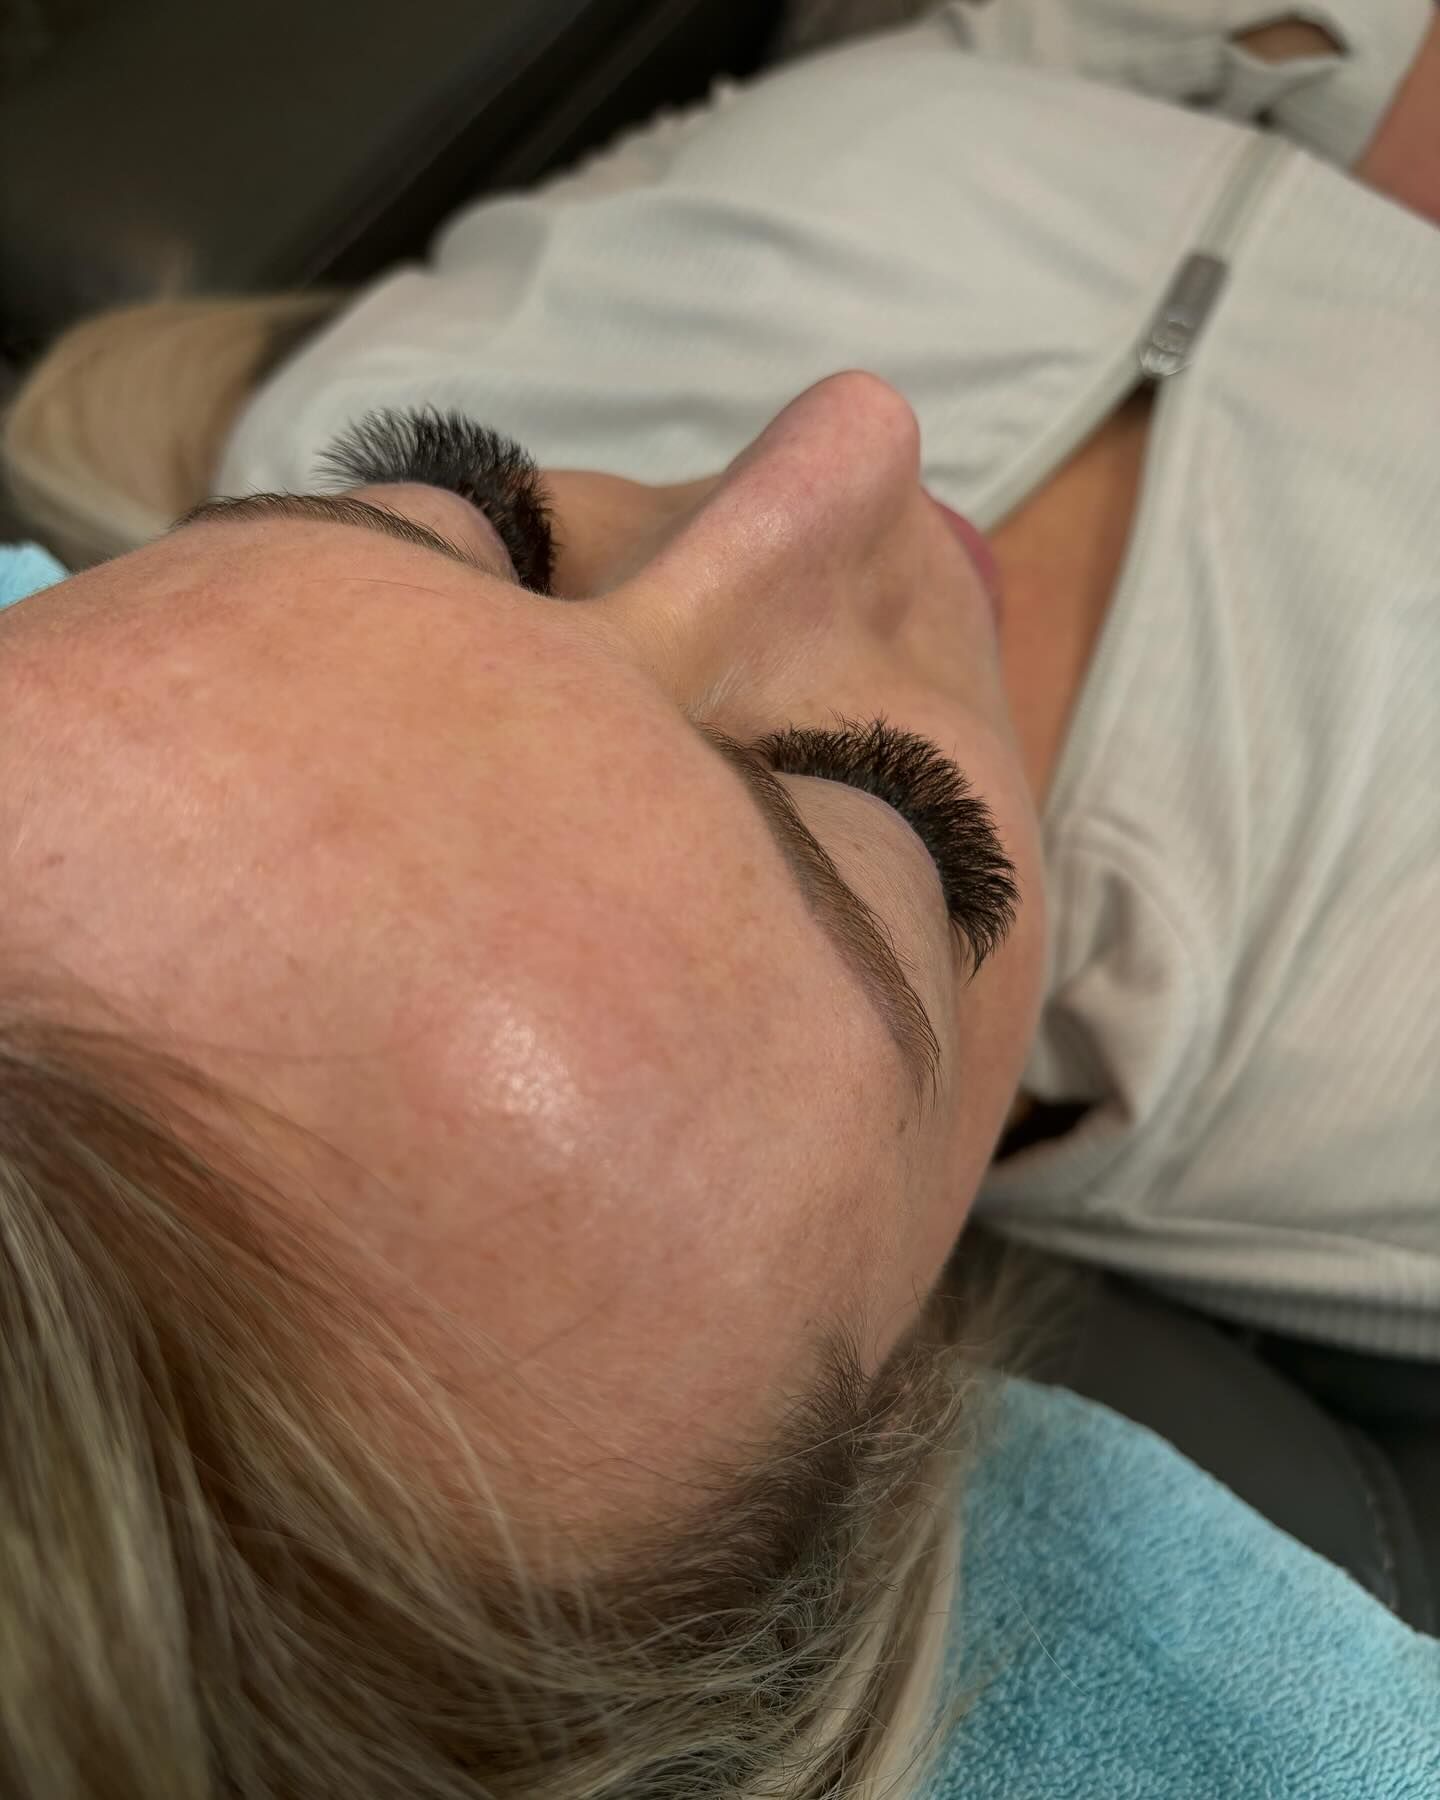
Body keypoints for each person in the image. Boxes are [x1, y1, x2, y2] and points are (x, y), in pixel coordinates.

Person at [0, 1, 1436, 1794]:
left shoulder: (324, 394)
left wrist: (1340, 60)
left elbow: (991, 53)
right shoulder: (1397, 1081)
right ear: (898, 1401)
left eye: (467, 521)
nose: (842, 442)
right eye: (877, 819)